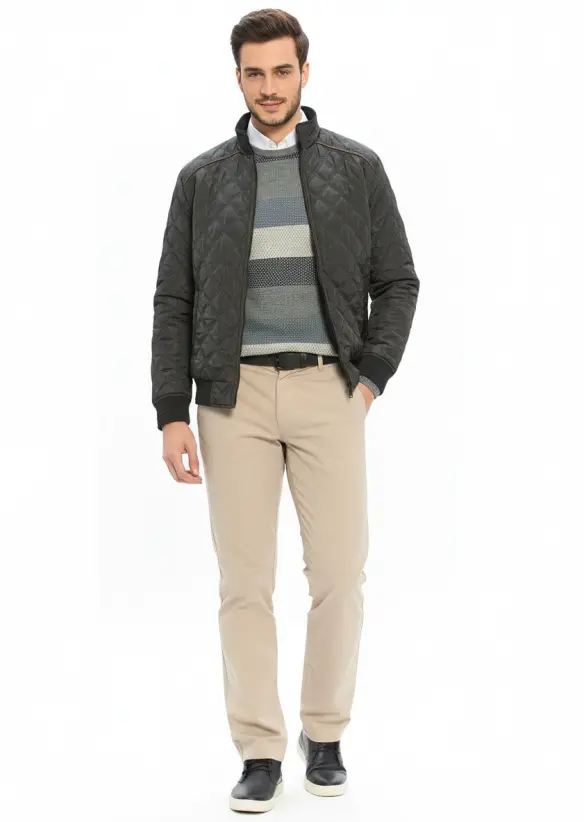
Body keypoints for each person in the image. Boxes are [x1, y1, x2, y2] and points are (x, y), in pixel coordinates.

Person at [151, 8, 419, 814]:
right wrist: (171, 411)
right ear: (237, 77)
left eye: (281, 70)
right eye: (254, 73)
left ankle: (324, 734)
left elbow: (397, 281)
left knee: (339, 573)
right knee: (244, 582)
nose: (268, 87)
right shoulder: (201, 179)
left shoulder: (356, 167)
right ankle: (260, 750)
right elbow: (173, 298)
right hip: (229, 399)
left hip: (329, 390)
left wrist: (368, 379)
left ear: (305, 72)